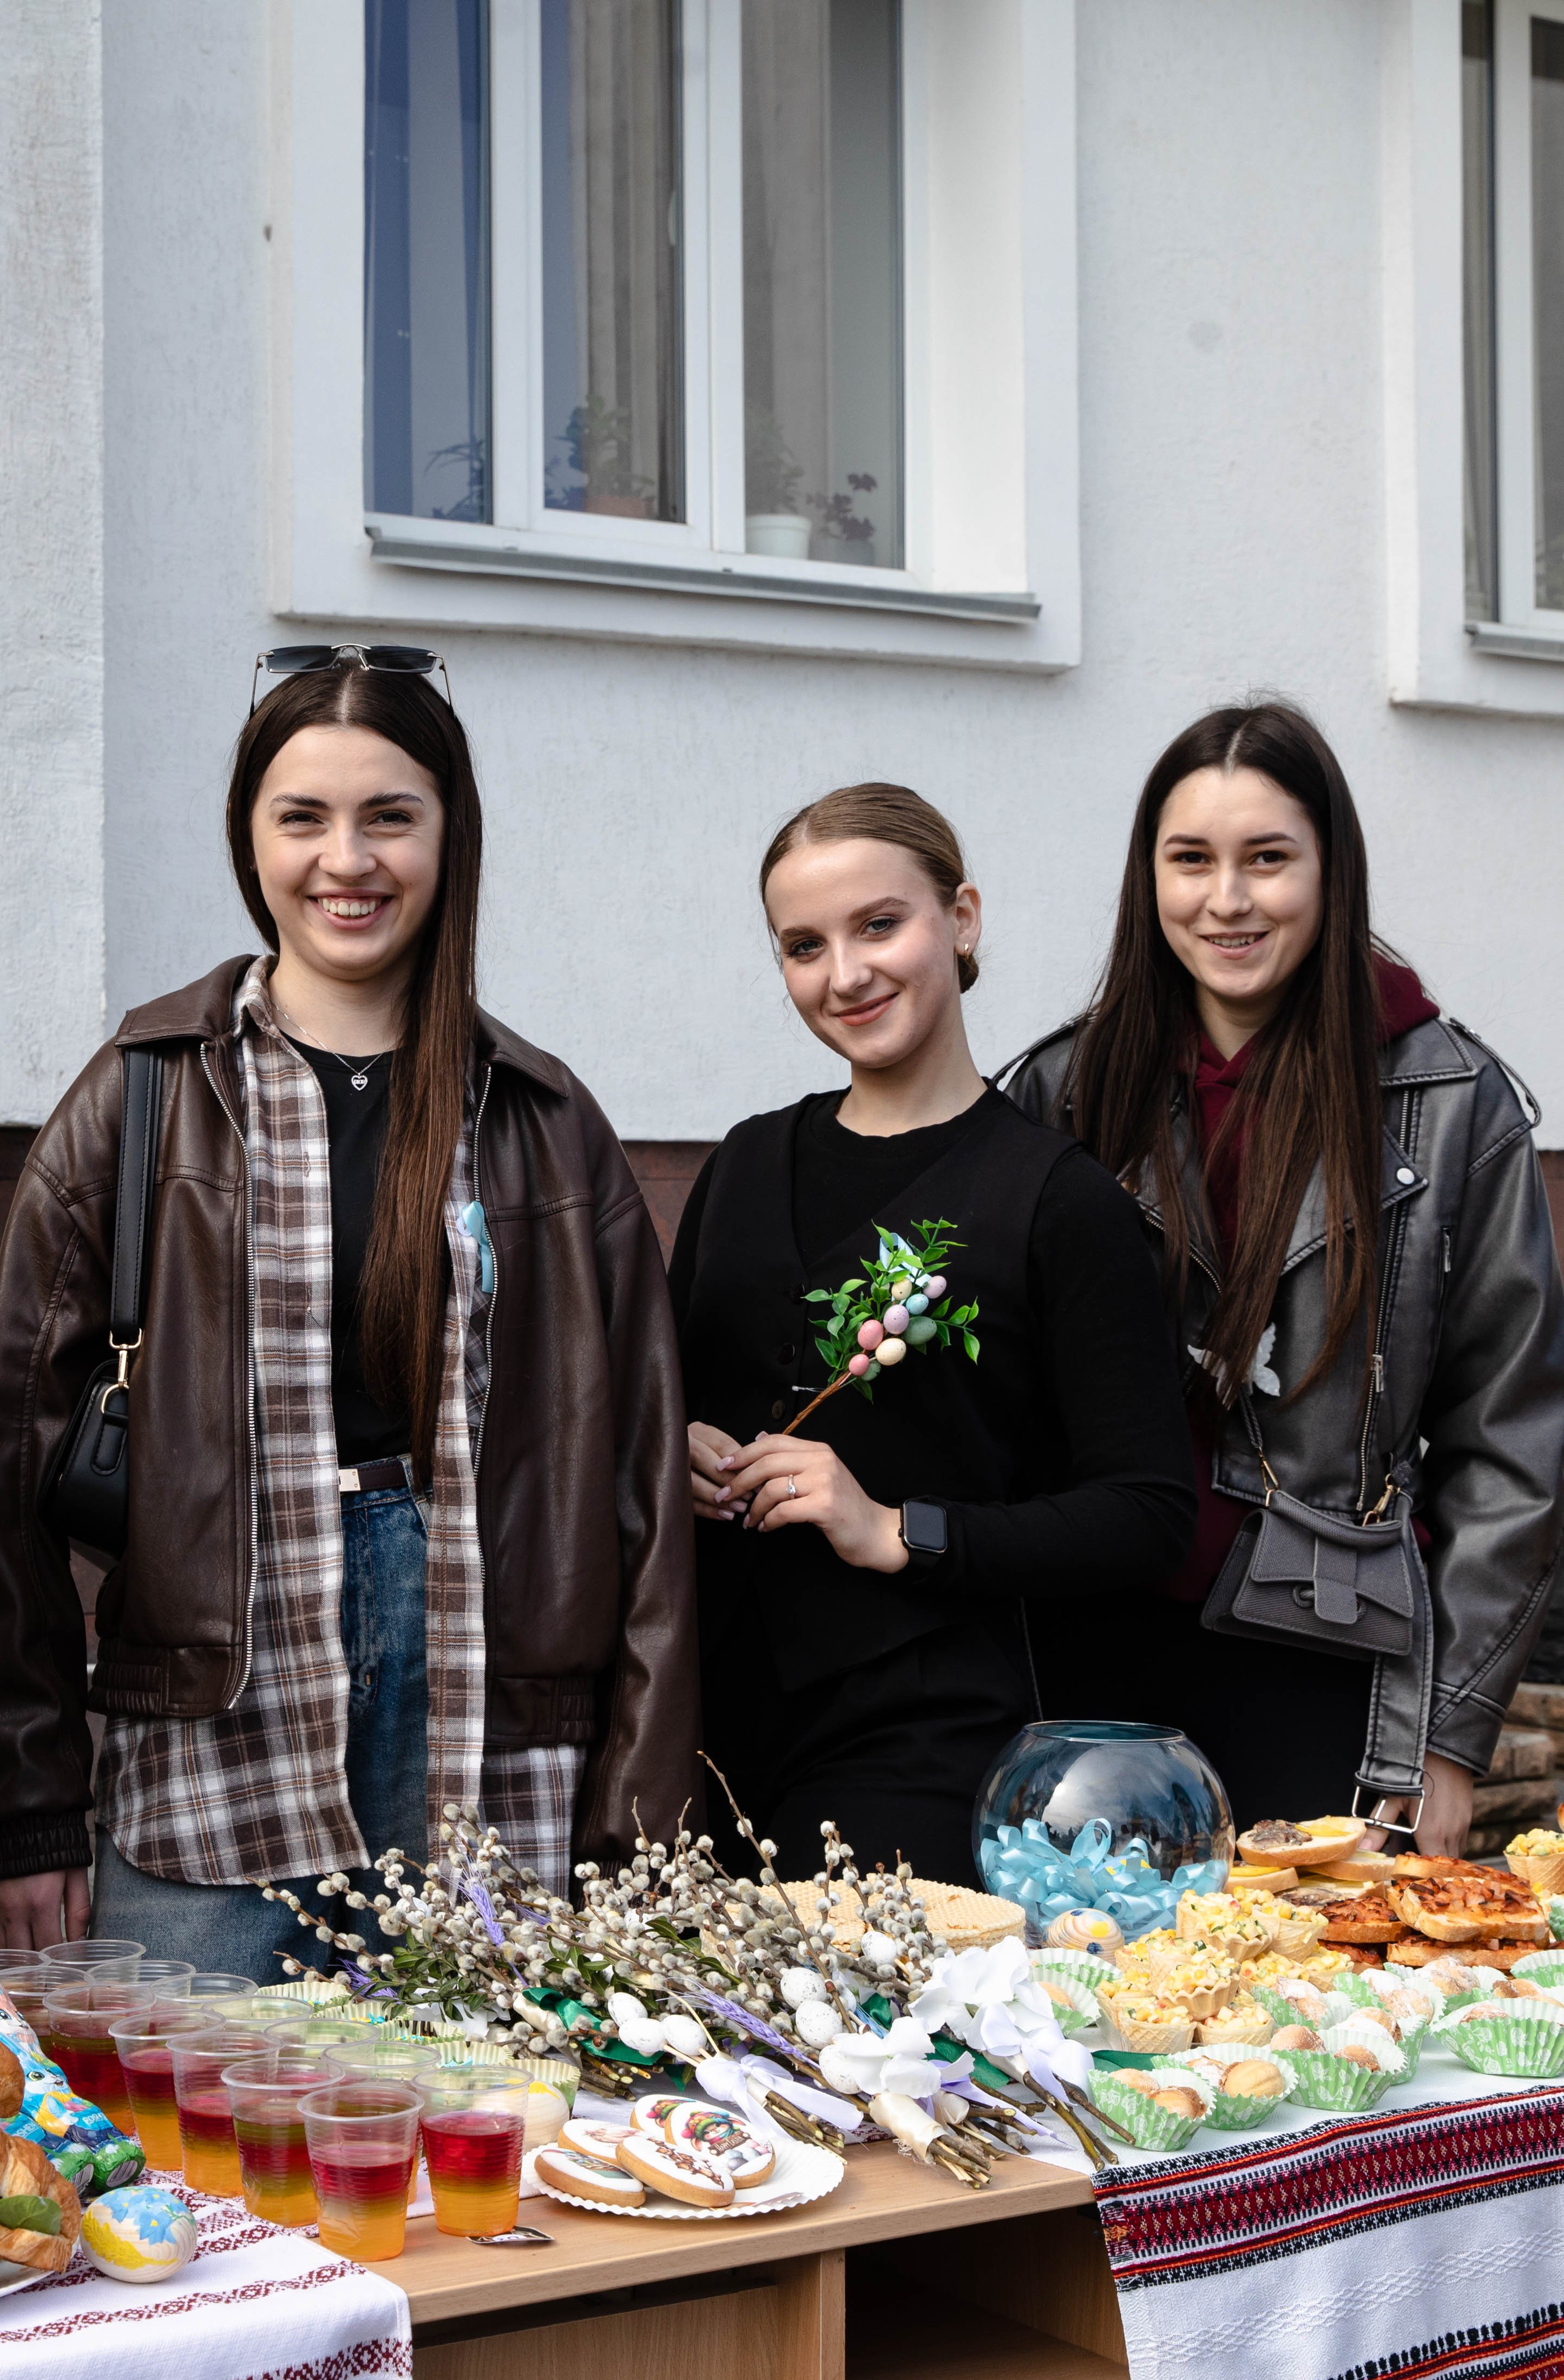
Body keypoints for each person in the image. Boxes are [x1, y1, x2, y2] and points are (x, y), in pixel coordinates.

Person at [0, 648, 698, 1974]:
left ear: (449, 835)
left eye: (390, 816)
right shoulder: (143, 1096)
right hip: (212, 1753)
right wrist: (24, 1812)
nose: (346, 859)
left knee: (477, 2113)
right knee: (183, 2114)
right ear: (249, 837)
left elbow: (642, 1495)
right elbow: (3, 1483)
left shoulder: (541, 1120)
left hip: (491, 1752)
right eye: (302, 816)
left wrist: (637, 1825)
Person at [1003, 702, 1564, 1854]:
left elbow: (1511, 1446)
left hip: (1332, 1670)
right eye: (1190, 859)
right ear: (1147, 877)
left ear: (1330, 869)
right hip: (1081, 1672)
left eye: (1267, 858)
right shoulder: (1063, 1088)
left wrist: (1446, 1741)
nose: (1227, 899)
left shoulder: (1454, 1103)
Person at [669, 783, 1196, 1884]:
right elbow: (659, 1401)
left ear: (960, 919)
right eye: (804, 946)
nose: (844, 974)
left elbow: (1148, 1515)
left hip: (922, 1742)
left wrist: (899, 1529)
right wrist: (673, 1451)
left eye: (878, 925)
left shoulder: (1059, 1201)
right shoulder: (741, 1165)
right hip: (700, 1730)